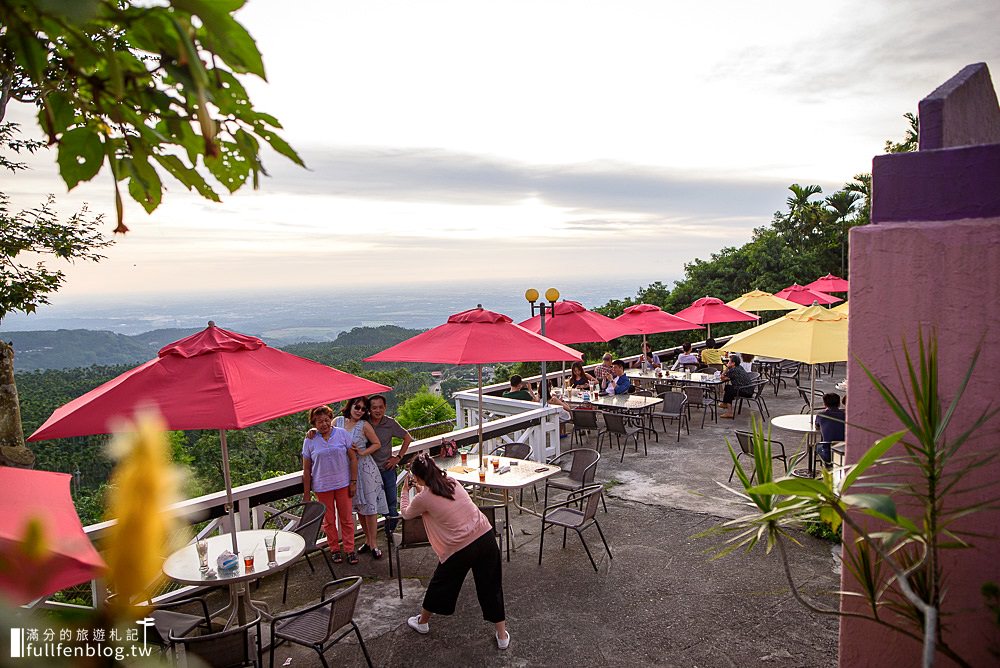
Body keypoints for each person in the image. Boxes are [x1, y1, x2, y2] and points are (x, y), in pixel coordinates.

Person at [402, 453, 510, 650]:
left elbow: (407, 513)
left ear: (417, 477)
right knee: (491, 586)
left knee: (440, 584)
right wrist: (421, 490)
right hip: (485, 536)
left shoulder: (423, 498)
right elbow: (439, 498)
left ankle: (423, 622)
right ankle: (502, 636)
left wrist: (404, 491)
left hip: (460, 547)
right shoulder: (451, 481)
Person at [301, 405, 358, 565]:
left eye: (326, 420)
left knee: (346, 519)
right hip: (321, 486)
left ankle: (349, 549)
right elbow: (306, 469)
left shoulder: (342, 434)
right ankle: (334, 549)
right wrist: (306, 493)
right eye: (319, 421)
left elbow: (353, 459)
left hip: (343, 483)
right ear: (314, 423)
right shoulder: (310, 439)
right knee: (329, 521)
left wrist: (353, 482)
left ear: (330, 419)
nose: (324, 424)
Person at [335, 397, 388, 562]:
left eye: (364, 409)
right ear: (350, 406)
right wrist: (312, 432)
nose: (359, 411)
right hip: (347, 471)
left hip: (365, 471)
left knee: (370, 508)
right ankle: (367, 540)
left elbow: (376, 443)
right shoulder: (338, 422)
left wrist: (363, 452)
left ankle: (374, 544)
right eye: (357, 407)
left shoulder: (364, 425)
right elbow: (325, 433)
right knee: (359, 507)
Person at [368, 395, 413, 533]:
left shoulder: (390, 423)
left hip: (387, 469)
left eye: (381, 407)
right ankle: (372, 539)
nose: (378, 410)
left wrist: (398, 457)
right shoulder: (363, 424)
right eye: (374, 407)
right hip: (368, 472)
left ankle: (390, 534)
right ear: (369, 409)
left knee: (391, 505)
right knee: (370, 507)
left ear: (385, 408)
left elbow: (407, 437)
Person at [815, 393, 846, 465]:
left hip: (828, 453)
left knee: (816, 446)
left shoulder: (821, 415)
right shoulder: (845, 415)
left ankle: (826, 467)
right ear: (839, 404)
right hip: (843, 452)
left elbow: (817, 426)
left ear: (825, 404)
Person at [719, 354, 753, 419]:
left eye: (729, 362)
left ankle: (729, 412)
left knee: (729, 389)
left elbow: (722, 377)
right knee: (728, 387)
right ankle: (725, 403)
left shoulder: (733, 370)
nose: (728, 363)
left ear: (733, 363)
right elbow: (730, 378)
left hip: (745, 391)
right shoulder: (740, 367)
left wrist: (727, 368)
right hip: (749, 389)